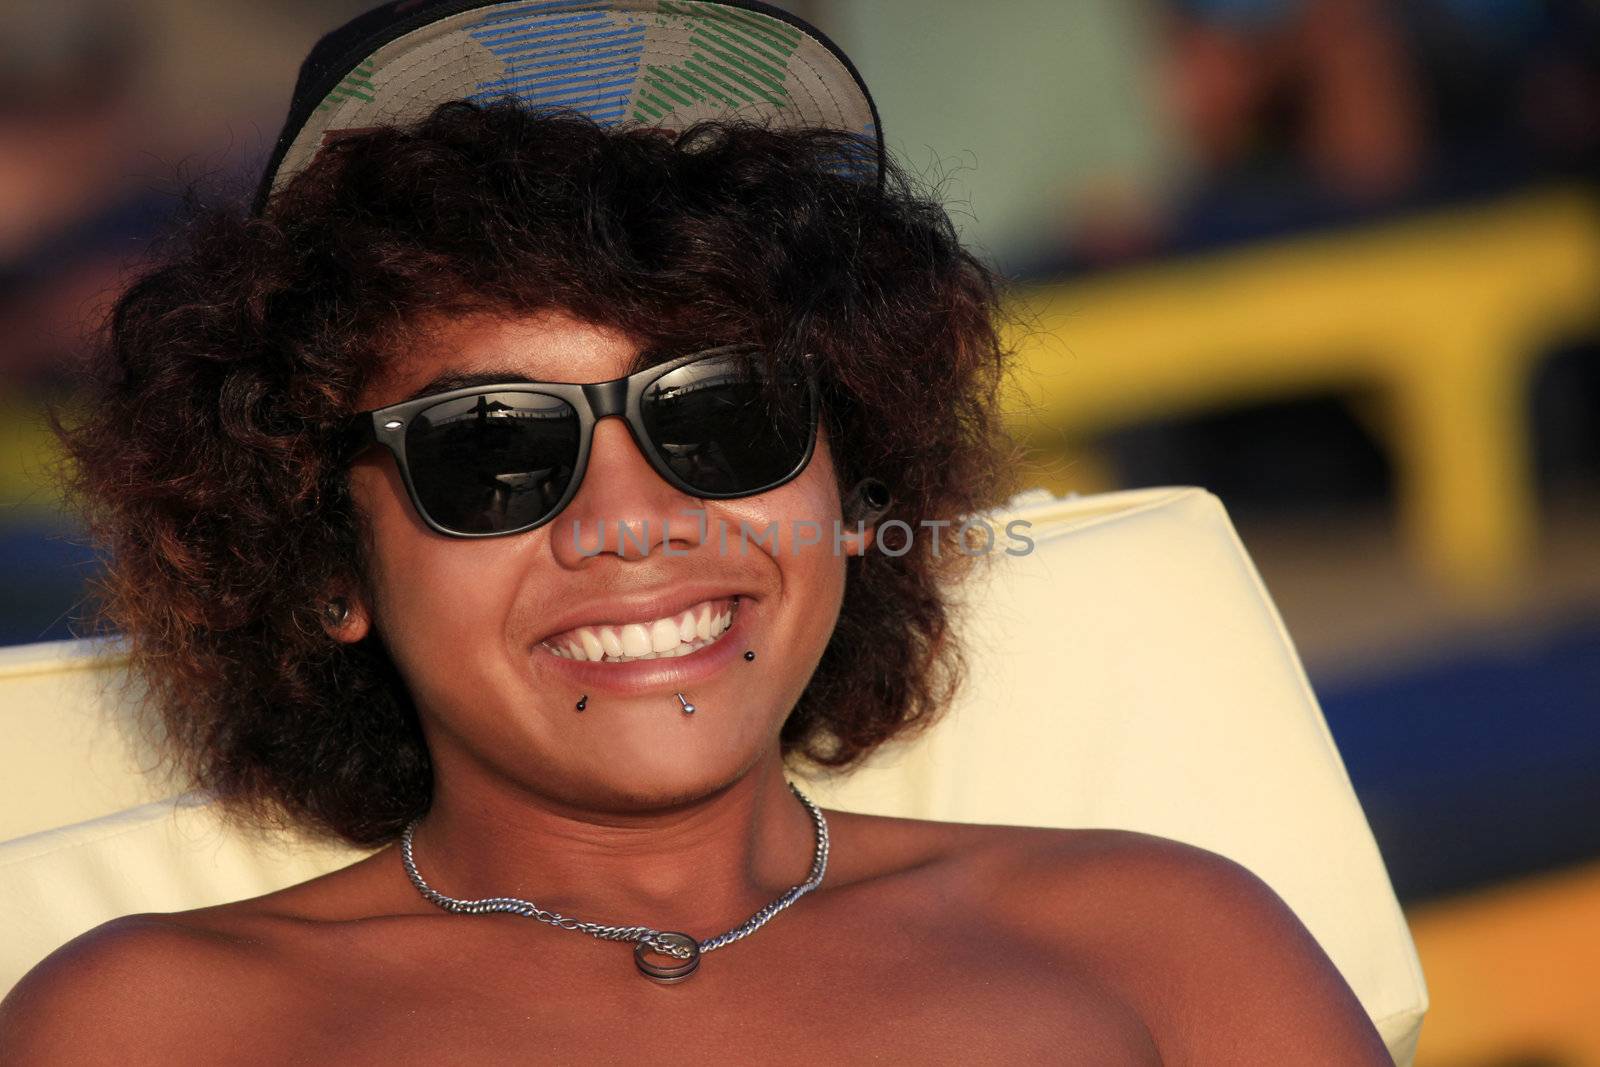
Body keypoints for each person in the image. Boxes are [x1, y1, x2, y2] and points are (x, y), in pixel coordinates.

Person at [0, 1, 1393, 1061]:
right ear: (324, 559)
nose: (634, 520)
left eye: (720, 417)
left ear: (850, 495)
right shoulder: (154, 1026)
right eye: (493, 448)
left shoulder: (1166, 942)